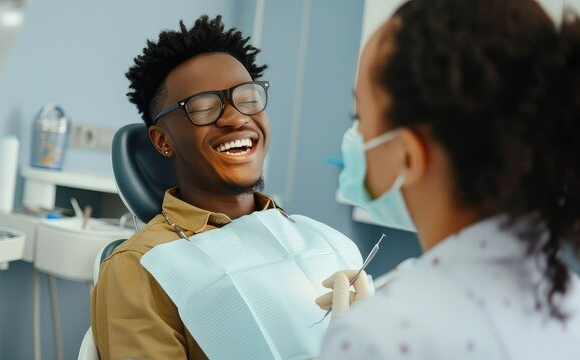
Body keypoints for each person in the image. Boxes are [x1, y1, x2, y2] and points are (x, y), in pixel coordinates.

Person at [318, 0, 580, 358]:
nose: (355, 136)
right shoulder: (568, 300)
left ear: (407, 155)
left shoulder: (378, 336)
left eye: (359, 116)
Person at [91, 15, 362, 360]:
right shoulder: (139, 266)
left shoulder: (320, 241)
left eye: (248, 98)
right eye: (203, 107)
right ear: (162, 141)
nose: (235, 118)